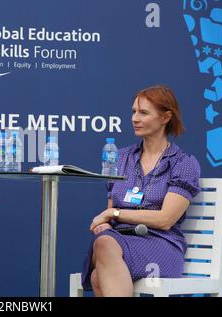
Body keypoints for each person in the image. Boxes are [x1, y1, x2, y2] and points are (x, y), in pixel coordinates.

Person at [82, 85, 201, 297]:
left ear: (166, 117)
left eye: (143, 113)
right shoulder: (120, 157)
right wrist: (104, 224)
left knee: (97, 274)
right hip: (118, 240)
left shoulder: (183, 163)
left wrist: (113, 214)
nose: (135, 118)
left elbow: (165, 219)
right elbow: (109, 214)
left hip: (161, 243)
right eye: (134, 112)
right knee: (104, 242)